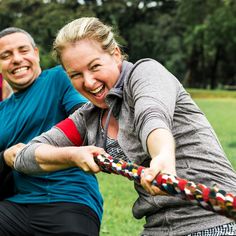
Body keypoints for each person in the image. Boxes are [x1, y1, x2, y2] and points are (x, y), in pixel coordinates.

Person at [14, 17, 236, 236]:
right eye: (76, 75)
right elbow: (26, 155)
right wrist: (73, 155)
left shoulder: (146, 74)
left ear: (116, 54)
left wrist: (162, 157)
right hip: (158, 228)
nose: (89, 82)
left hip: (213, 220)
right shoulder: (88, 117)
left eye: (95, 66)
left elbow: (152, 116)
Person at [0, 27, 104, 236]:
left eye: (23, 50)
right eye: (6, 55)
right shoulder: (2, 111)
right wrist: (5, 157)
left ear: (36, 53)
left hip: (69, 199)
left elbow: (86, 119)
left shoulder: (59, 78)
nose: (17, 59)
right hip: (16, 205)